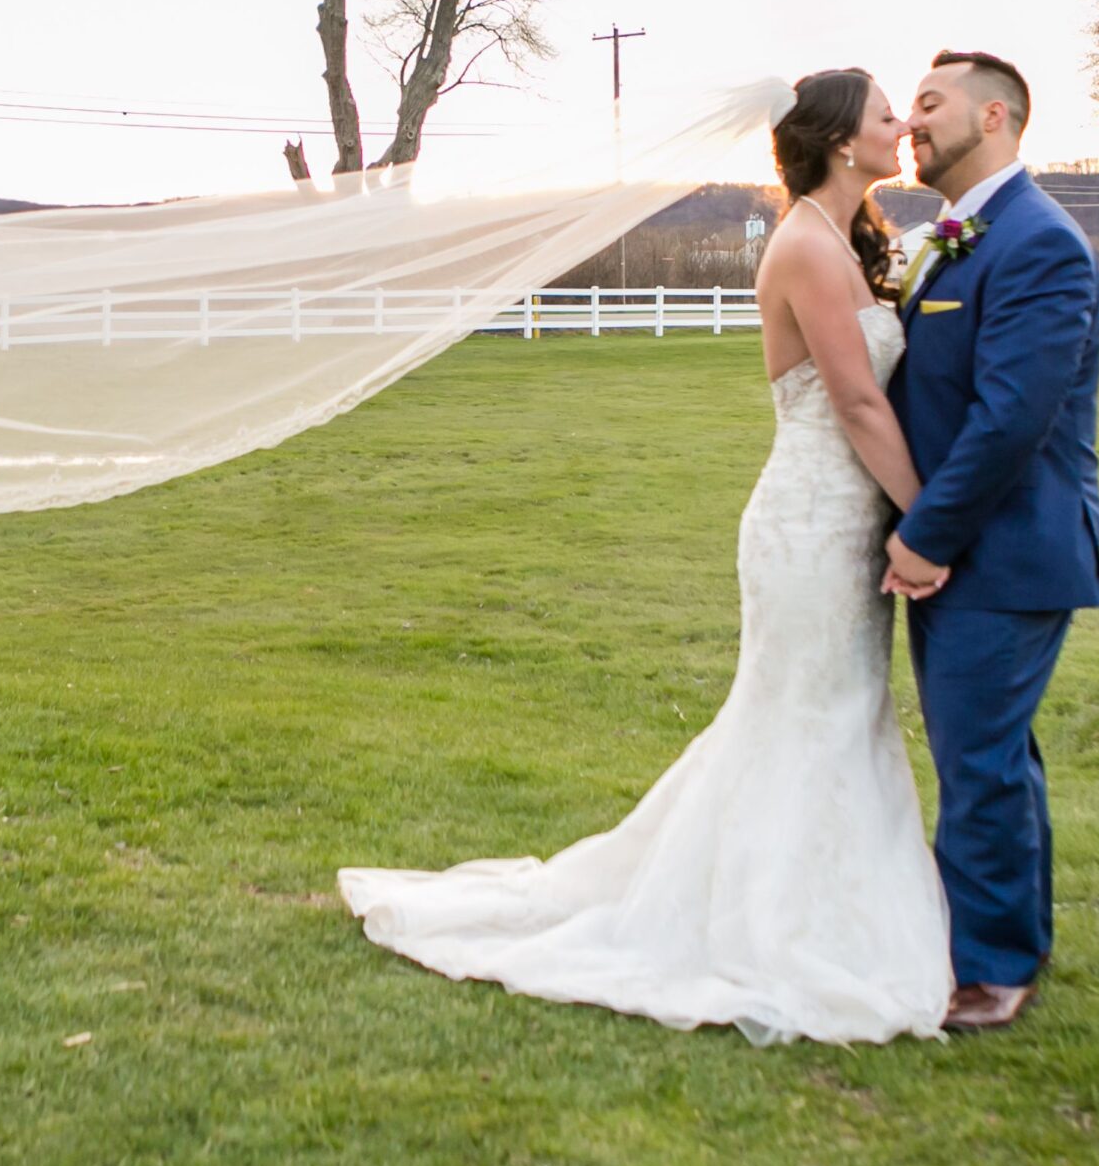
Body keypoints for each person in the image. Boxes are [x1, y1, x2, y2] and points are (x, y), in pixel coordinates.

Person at [335, 68, 953, 1045]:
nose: (901, 128)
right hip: (809, 524)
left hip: (842, 519)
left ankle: (821, 903)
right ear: (842, 142)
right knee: (803, 718)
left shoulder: (843, 238)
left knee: (836, 713)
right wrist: (931, 524)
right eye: (885, 114)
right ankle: (772, 926)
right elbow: (858, 402)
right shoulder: (802, 244)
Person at [883, 50, 1099, 1031]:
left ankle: (988, 972)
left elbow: (1013, 416)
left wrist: (925, 536)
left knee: (975, 760)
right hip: (974, 546)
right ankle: (1019, 935)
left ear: (998, 116)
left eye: (929, 105)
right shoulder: (953, 236)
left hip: (1002, 549)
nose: (909, 123)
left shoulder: (1038, 243)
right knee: (996, 755)